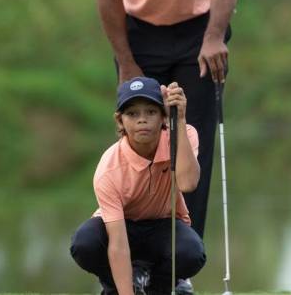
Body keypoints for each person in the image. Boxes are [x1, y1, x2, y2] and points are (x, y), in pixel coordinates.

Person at [85, 0, 238, 290]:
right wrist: (126, 61)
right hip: (140, 34)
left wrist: (215, 37)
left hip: (198, 32)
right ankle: (127, 266)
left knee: (192, 146)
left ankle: (179, 271)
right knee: (136, 144)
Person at [70, 77, 206, 295]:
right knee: (85, 243)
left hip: (163, 225)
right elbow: (117, 244)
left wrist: (178, 120)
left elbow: (188, 183)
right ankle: (118, 287)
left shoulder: (184, 134)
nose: (142, 120)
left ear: (163, 116)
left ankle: (160, 287)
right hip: (122, 227)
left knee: (192, 252)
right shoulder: (109, 169)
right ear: (120, 121)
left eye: (151, 112)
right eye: (132, 114)